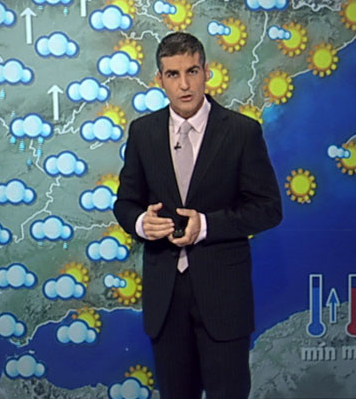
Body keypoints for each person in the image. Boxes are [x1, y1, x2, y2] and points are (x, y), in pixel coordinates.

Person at [114, 32, 282, 399]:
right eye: (173, 75)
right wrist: (142, 223)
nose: (184, 85)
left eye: (192, 71)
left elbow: (268, 209)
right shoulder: (143, 133)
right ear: (160, 80)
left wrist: (205, 225)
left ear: (207, 72)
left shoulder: (241, 132)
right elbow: (125, 203)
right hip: (166, 298)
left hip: (224, 297)